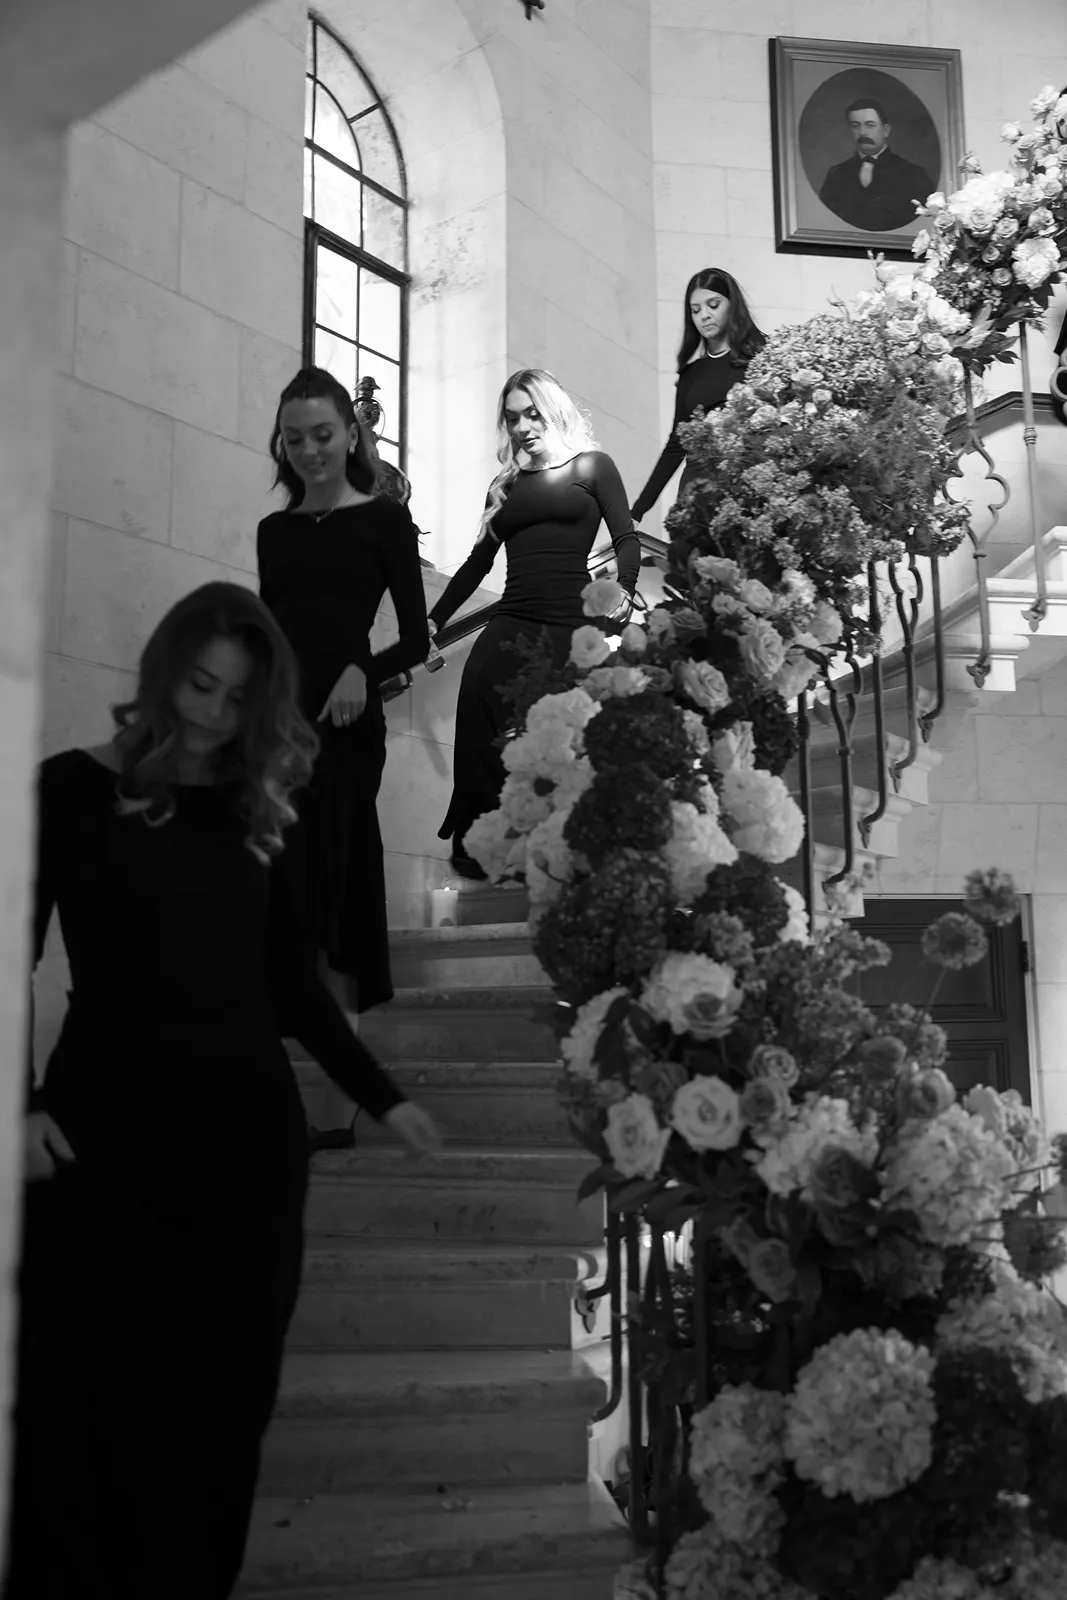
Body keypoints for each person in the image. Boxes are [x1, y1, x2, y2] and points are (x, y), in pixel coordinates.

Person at [2, 583, 441, 1600]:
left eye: (234, 699)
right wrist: (18, 1105)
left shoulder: (257, 810)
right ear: (164, 672)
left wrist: (379, 1096)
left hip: (244, 1159)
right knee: (82, 1409)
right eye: (197, 684)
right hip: (100, 1146)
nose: (208, 712)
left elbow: (290, 984)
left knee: (218, 1413)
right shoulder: (67, 789)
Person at [258, 366, 430, 1150]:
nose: (308, 450)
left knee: (335, 896)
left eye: (322, 434)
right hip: (277, 732)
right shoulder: (277, 530)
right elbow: (272, 636)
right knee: (281, 900)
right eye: (294, 438)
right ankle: (273, 1088)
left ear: (350, 433)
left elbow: (418, 639)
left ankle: (337, 1101)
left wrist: (366, 668)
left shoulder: (384, 521)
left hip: (348, 731)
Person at [428, 368, 641, 879]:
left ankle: (560, 855)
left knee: (563, 745)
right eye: (511, 418)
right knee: (480, 720)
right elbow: (477, 564)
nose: (522, 426)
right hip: (510, 622)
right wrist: (432, 620)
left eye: (531, 413)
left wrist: (627, 589)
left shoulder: (593, 467)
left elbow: (627, 538)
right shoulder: (503, 487)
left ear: (552, 410)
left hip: (568, 628)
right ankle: (484, 847)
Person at [631, 268, 765, 524]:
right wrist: (637, 511)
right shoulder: (691, 374)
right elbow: (676, 445)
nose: (705, 315)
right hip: (696, 492)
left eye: (713, 305)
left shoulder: (761, 357)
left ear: (732, 305)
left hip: (746, 484)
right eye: (695, 310)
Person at [818, 98, 935, 233]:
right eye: (856, 125)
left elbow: (924, 225)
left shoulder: (914, 174)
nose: (862, 132)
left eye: (870, 125)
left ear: (886, 130)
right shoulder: (836, 174)